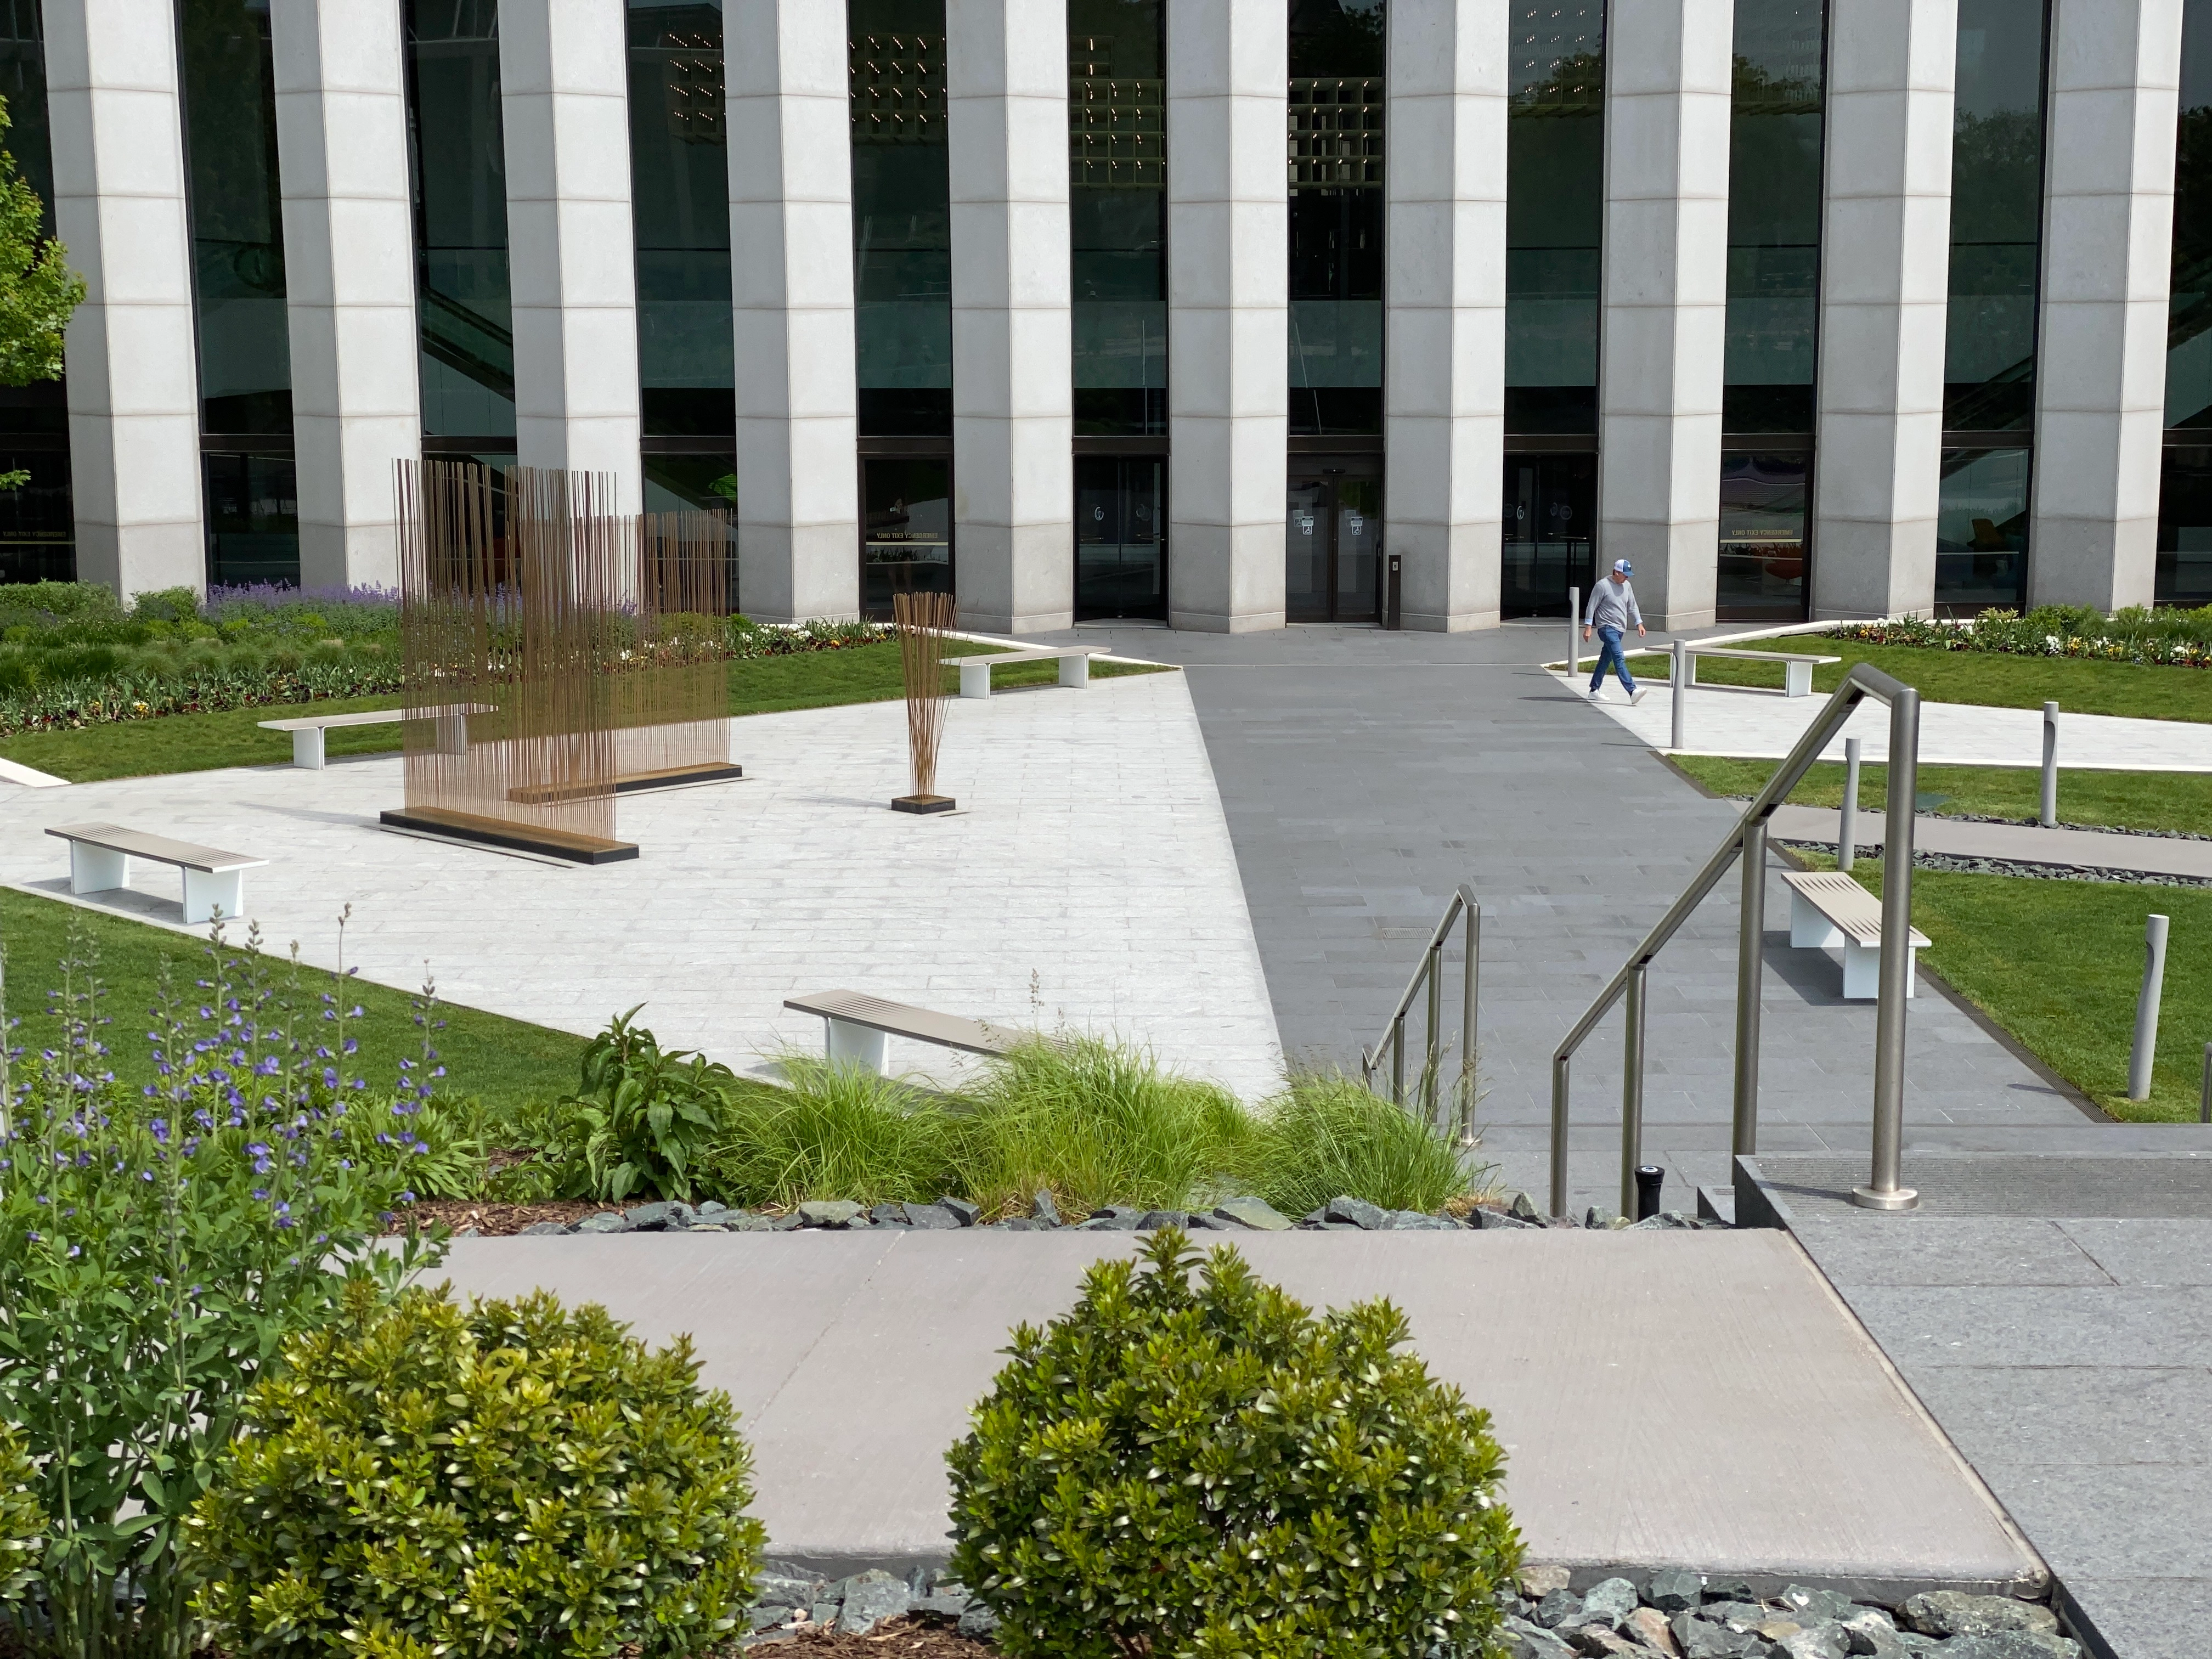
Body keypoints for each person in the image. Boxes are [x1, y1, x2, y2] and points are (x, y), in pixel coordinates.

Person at [1583, 559, 1648, 704]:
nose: (1627, 578)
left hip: (1620, 629)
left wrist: (1639, 623)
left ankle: (1594, 690)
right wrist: (1588, 628)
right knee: (1619, 658)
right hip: (1606, 628)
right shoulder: (1602, 586)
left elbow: (1633, 606)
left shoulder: (1627, 586)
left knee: (1606, 659)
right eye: (1625, 575)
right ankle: (1632, 690)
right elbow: (1591, 606)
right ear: (1616, 572)